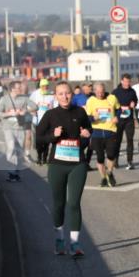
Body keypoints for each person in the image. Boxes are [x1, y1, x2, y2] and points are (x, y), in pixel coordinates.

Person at [35, 81, 93, 257]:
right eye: (60, 94)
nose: (64, 96)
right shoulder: (51, 115)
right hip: (57, 165)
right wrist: (54, 135)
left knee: (74, 203)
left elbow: (88, 131)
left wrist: (86, 135)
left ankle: (75, 244)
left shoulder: (80, 112)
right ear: (56, 96)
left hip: (77, 164)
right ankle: (60, 240)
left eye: (67, 93)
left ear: (72, 94)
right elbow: (40, 137)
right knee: (59, 203)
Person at [0, 81, 35, 182]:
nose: (21, 89)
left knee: (18, 150)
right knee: (11, 147)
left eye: (20, 87)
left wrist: (25, 111)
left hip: (20, 127)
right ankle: (11, 172)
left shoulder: (24, 98)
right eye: (18, 88)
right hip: (8, 127)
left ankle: (16, 171)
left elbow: (36, 107)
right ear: (12, 89)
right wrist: (9, 113)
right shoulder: (4, 99)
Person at [85, 82, 121, 188]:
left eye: (102, 92)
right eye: (98, 92)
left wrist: (117, 117)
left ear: (104, 89)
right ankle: (103, 177)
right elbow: (86, 117)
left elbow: (119, 109)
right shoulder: (91, 101)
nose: (100, 94)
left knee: (111, 155)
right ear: (94, 91)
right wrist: (93, 118)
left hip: (111, 131)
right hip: (97, 132)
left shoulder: (112, 98)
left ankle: (109, 172)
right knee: (100, 158)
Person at [112, 73, 139, 170]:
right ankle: (115, 161)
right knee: (117, 141)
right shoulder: (115, 92)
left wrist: (134, 103)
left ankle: (130, 161)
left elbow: (136, 101)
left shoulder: (132, 91)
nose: (127, 83)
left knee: (130, 141)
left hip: (129, 120)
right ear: (122, 81)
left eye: (129, 81)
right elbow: (110, 105)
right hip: (118, 120)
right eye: (126, 81)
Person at [29, 79, 57, 165]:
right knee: (39, 141)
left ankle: (45, 158)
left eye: (46, 86)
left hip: (48, 121)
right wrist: (32, 110)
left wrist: (53, 109)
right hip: (37, 120)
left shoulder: (51, 94)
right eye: (43, 86)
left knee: (47, 141)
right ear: (40, 86)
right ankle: (39, 157)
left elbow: (55, 106)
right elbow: (29, 104)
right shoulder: (35, 93)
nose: (45, 87)